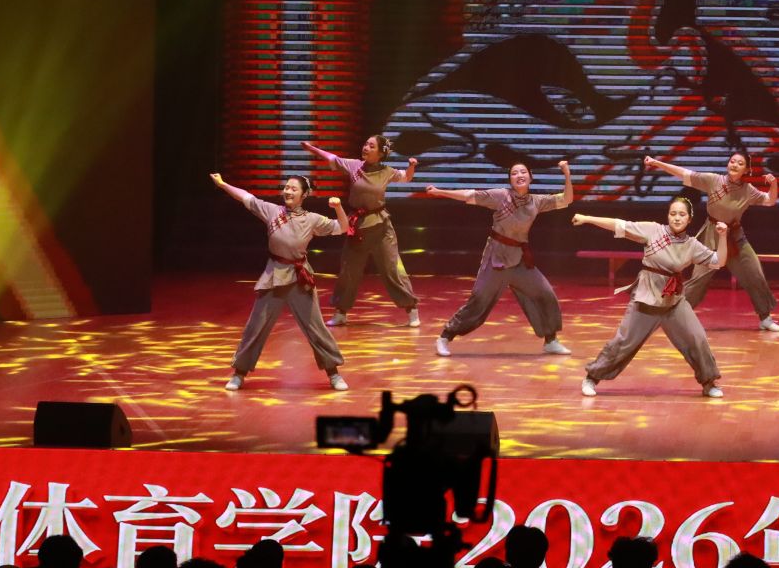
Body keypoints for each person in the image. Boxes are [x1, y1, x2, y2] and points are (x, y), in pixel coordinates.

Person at [572, 195, 727, 396]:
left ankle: (709, 383)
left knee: (697, 338)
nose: (677, 218)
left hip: (673, 301)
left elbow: (718, 261)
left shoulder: (691, 245)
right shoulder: (653, 230)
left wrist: (723, 236)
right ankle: (592, 377)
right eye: (673, 213)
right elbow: (619, 225)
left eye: (682, 214)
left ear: (689, 219)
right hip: (646, 299)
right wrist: (587, 218)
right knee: (624, 343)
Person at [211, 171, 352, 391]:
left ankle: (333, 373)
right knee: (256, 326)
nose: (288, 191)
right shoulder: (272, 211)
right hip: (274, 276)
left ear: (304, 195)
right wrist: (222, 184)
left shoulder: (312, 219)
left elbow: (343, 227)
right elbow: (246, 197)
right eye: (286, 187)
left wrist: (338, 207)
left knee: (315, 327)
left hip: (299, 277)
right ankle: (239, 373)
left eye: (294, 189)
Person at [425, 159, 574, 356]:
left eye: (523, 172)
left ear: (531, 177)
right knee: (480, 300)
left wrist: (567, 174)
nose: (519, 175)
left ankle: (551, 340)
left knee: (544, 292)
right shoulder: (501, 196)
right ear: (510, 179)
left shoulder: (536, 201)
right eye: (514, 173)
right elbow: (469, 195)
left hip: (519, 260)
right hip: (497, 258)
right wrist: (439, 191)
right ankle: (445, 336)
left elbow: (566, 199)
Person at [643, 150, 779, 330]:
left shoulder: (748, 190)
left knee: (754, 274)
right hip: (711, 235)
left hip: (735, 237)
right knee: (698, 280)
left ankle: (765, 318)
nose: (735, 165)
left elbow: (770, 200)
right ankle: (675, 315)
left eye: (740, 163)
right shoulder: (713, 180)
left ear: (747, 170)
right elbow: (684, 173)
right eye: (732, 161)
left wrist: (774, 184)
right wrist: (657, 163)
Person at [304, 134, 421, 328]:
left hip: (381, 227)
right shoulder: (354, 166)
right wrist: (312, 149)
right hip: (357, 226)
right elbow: (333, 158)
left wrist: (412, 166)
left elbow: (406, 177)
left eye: (371, 146)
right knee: (349, 270)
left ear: (381, 153)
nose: (366, 147)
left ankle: (411, 308)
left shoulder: (386, 171)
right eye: (366, 144)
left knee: (392, 269)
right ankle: (340, 313)